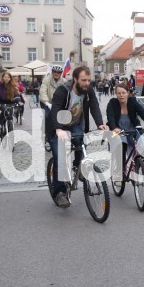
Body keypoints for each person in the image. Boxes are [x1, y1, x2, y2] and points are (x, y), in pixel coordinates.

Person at [48, 67, 108, 208]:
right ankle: (60, 193)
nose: (87, 83)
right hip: (57, 126)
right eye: (83, 80)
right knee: (60, 158)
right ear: (75, 79)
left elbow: (94, 106)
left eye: (88, 80)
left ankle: (77, 167)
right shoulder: (62, 90)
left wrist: (100, 124)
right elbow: (55, 109)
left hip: (75, 124)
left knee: (81, 143)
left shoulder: (88, 90)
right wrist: (58, 129)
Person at [106, 86, 144, 166]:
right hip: (118, 132)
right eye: (119, 93)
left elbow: (143, 113)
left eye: (123, 93)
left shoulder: (132, 102)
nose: (121, 95)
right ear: (116, 94)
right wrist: (114, 128)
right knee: (120, 147)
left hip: (132, 130)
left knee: (142, 146)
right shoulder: (112, 103)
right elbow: (110, 117)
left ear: (128, 93)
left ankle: (136, 167)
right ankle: (120, 170)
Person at [40, 65, 66, 146]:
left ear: (61, 73)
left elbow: (67, 92)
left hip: (57, 103)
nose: (56, 73)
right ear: (52, 72)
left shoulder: (64, 81)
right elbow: (43, 91)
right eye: (54, 72)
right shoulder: (46, 80)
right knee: (48, 116)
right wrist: (47, 103)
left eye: (58, 72)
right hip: (46, 102)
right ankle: (45, 133)